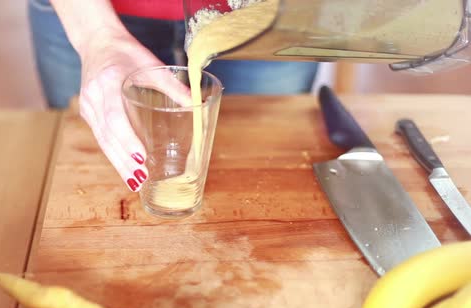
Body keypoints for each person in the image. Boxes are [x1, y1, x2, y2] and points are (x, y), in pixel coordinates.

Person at [28, 0, 319, 192]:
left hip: (269, 9)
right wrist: (97, 36)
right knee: (84, 168)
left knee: (265, 161)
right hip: (88, 11)